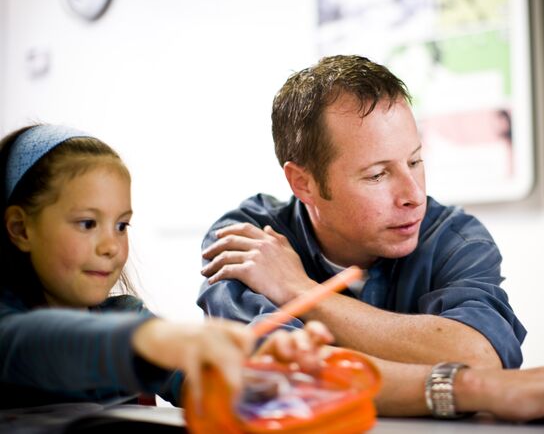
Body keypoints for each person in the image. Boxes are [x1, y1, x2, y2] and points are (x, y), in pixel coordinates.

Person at [198, 55, 544, 422]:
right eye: (378, 175)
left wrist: (300, 290)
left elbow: (478, 357)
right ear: (303, 183)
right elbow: (275, 379)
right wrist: (452, 376)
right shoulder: (248, 241)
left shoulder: (455, 238)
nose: (413, 196)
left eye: (415, 161)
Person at [0, 124, 333, 409]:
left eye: (121, 226)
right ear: (20, 229)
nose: (111, 246)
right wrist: (154, 340)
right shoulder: (12, 330)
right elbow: (33, 344)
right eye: (87, 223)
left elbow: (197, 383)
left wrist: (262, 368)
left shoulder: (127, 316)